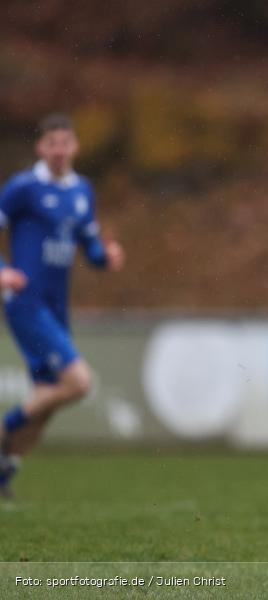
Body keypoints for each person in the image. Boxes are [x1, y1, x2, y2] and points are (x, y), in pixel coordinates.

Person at [0, 113, 125, 498]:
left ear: (75, 146)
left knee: (48, 400)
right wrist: (2, 271)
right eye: (51, 143)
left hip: (56, 306)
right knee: (78, 382)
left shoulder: (82, 191)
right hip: (26, 302)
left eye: (65, 143)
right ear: (41, 147)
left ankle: (4, 475)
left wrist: (106, 256)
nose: (58, 150)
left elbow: (88, 244)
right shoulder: (23, 187)